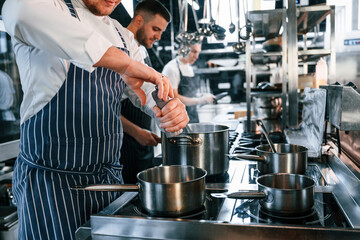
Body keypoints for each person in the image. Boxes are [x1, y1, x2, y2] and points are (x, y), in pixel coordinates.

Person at [2, 0, 189, 239]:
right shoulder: (40, 6)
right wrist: (127, 65)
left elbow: (149, 92)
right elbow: (19, 12)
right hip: (51, 189)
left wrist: (170, 106)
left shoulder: (122, 37)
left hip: (108, 185)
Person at [120, 0, 169, 184]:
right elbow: (105, 106)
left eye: (161, 32)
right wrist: (136, 132)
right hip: (126, 140)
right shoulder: (117, 48)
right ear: (139, 20)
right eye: (155, 29)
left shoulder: (140, 48)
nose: (158, 36)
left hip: (141, 139)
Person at [162, 42, 215, 123]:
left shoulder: (189, 67)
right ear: (183, 48)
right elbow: (173, 97)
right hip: (177, 118)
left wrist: (203, 96)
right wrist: (199, 100)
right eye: (193, 51)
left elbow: (189, 93)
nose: (196, 56)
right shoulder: (171, 68)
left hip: (192, 116)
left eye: (198, 52)